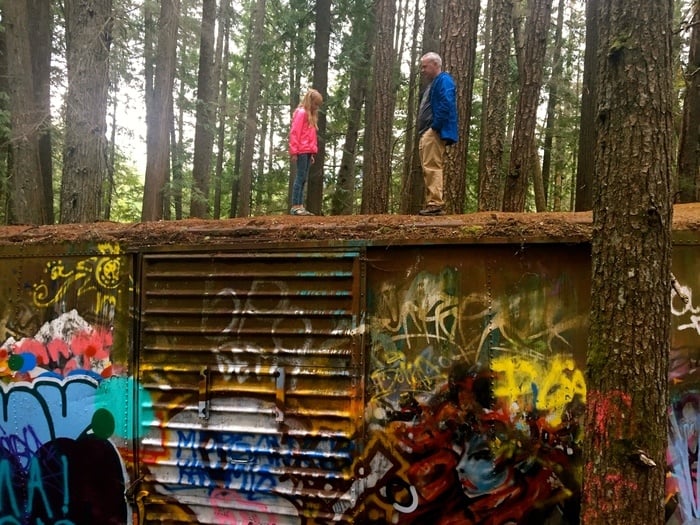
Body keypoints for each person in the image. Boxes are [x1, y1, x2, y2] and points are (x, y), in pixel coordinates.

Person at [416, 52, 458, 216]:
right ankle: (432, 202)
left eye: (425, 66)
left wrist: (435, 126)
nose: (423, 70)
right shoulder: (434, 83)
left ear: (435, 64)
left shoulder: (444, 80)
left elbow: (446, 102)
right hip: (428, 131)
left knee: (432, 165)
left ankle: (435, 204)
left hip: (434, 130)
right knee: (428, 166)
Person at [288, 88, 323, 216]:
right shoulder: (301, 113)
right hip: (301, 150)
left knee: (304, 179)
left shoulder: (311, 116)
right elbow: (295, 132)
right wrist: (294, 151)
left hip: (308, 151)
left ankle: (300, 205)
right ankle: (295, 206)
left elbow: (310, 136)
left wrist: (312, 153)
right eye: (315, 104)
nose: (316, 107)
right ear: (310, 101)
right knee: (300, 177)